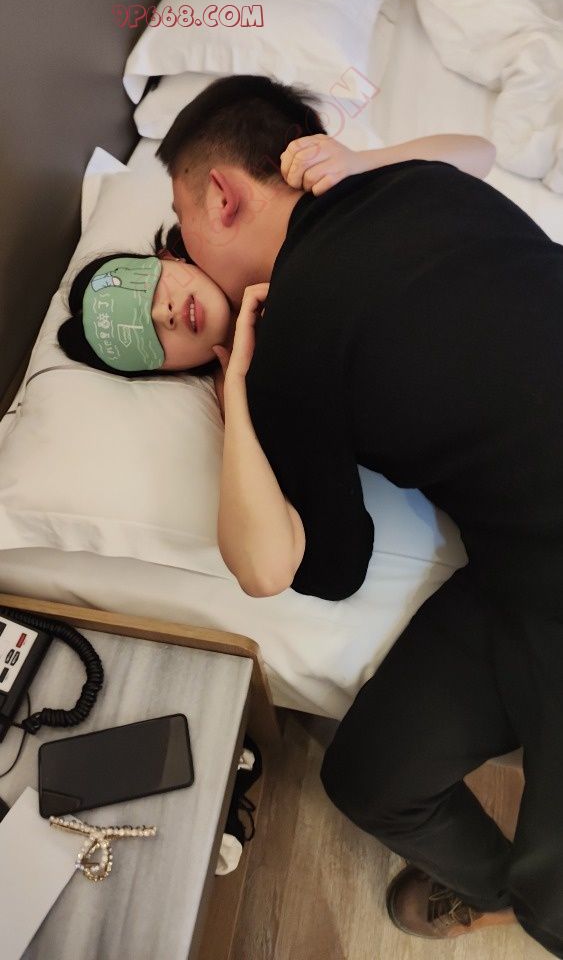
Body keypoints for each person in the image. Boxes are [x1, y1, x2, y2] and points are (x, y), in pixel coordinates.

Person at [150, 73, 563, 957]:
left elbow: (318, 567)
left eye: (181, 219)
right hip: (516, 564)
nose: (185, 255)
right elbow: (474, 152)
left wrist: (239, 392)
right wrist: (364, 160)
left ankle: (528, 908)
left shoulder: (291, 345)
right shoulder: (417, 182)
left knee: (554, 895)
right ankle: (502, 896)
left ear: (221, 196)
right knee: (372, 775)